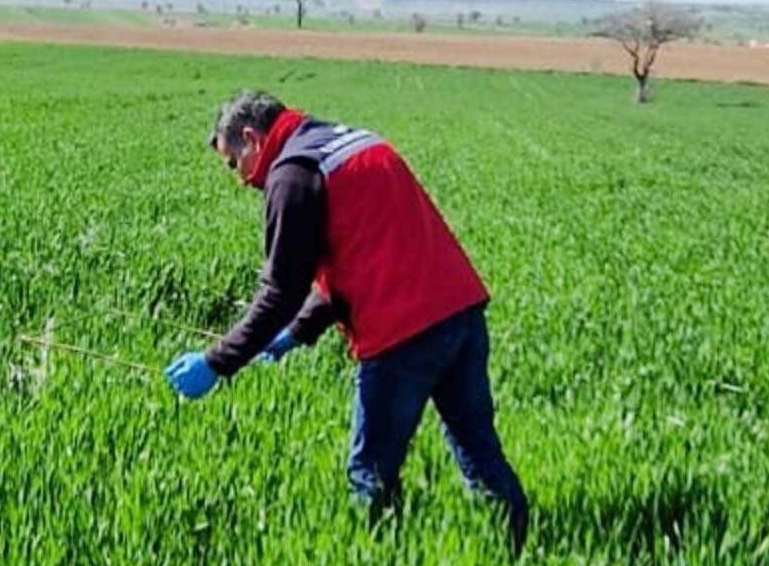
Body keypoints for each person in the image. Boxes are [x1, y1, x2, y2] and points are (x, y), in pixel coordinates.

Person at [163, 91, 528, 555]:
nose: (241, 180)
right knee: (479, 450)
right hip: (460, 313)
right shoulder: (350, 142)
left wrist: (216, 363)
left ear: (252, 139)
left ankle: (372, 553)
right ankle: (515, 550)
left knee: (369, 474)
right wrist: (296, 333)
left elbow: (280, 292)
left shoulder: (292, 175)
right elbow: (357, 258)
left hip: (402, 336)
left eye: (235, 164)